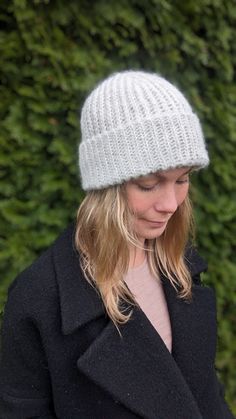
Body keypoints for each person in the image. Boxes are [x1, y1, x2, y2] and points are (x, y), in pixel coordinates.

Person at [0, 70, 234, 419]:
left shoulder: (179, 269)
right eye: (149, 184)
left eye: (182, 179)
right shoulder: (40, 300)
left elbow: (202, 395)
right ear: (106, 186)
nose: (171, 203)